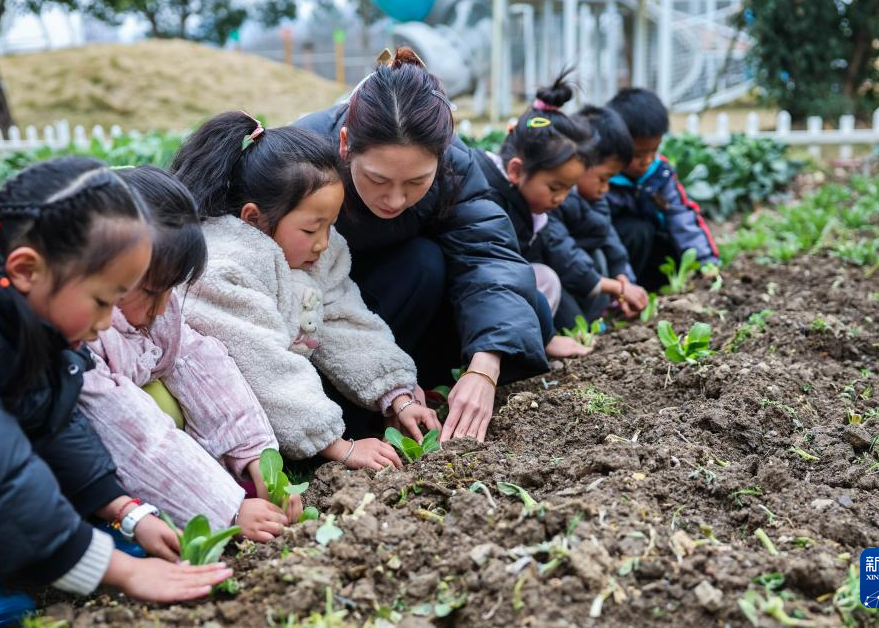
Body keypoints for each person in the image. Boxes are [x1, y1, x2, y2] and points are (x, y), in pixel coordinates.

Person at [0, 158, 232, 622]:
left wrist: (126, 510)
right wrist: (118, 569)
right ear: (27, 268)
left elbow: (47, 414)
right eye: (103, 301)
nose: (107, 322)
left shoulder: (0, 299)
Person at [295, 48, 551, 443]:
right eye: (378, 180)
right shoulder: (302, 160)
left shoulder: (457, 164)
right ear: (345, 145)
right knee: (422, 262)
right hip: (328, 320)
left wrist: (484, 369)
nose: (395, 200)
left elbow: (487, 256)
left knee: (527, 310)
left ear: (441, 156)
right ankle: (359, 413)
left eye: (417, 182)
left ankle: (424, 391)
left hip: (409, 316)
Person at [170, 114, 439, 470]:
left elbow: (346, 320)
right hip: (221, 429)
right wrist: (337, 446)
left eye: (331, 225)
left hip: (288, 411)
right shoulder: (220, 268)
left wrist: (396, 393)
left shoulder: (317, 254)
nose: (323, 243)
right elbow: (263, 366)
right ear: (254, 219)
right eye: (312, 229)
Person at [79, 165, 299, 541]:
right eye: (150, 292)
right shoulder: (82, 334)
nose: (163, 307)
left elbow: (204, 368)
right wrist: (225, 507)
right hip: (74, 467)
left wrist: (256, 458)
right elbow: (132, 434)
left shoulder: (155, 308)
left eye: (172, 290)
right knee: (155, 407)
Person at [475, 72, 628, 336]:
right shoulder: (488, 201)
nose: (561, 198)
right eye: (555, 188)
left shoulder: (532, 205)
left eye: (569, 188)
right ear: (515, 171)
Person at [605, 88, 718, 289]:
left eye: (653, 151)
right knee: (637, 231)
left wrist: (705, 261)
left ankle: (650, 289)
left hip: (650, 252)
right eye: (638, 155)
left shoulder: (660, 174)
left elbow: (682, 216)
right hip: (615, 257)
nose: (646, 161)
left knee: (668, 242)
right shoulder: (603, 179)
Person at [549, 105, 648, 319]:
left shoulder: (593, 198)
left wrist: (623, 277)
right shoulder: (553, 200)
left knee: (600, 256)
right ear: (579, 162)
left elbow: (608, 235)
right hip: (559, 276)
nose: (606, 188)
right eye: (603, 178)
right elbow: (562, 254)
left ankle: (596, 319)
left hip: (582, 276)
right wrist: (618, 288)